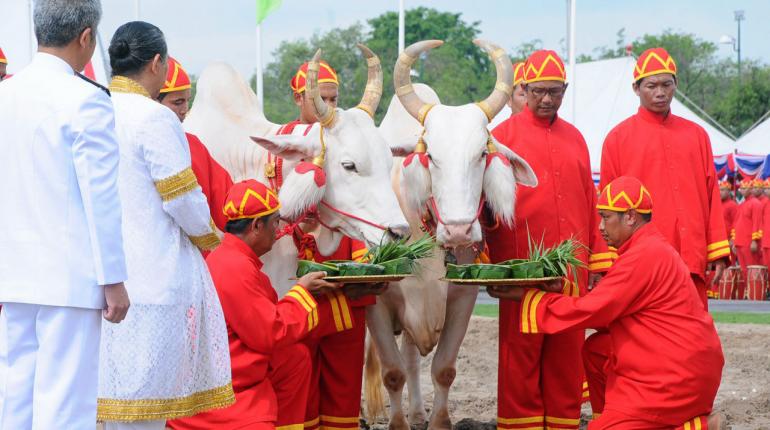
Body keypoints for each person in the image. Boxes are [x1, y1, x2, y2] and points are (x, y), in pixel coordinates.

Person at [492, 176, 725, 430]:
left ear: (630, 217)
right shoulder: (649, 247)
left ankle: (698, 426)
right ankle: (619, 416)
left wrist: (526, 297)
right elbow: (605, 308)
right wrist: (561, 292)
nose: (601, 227)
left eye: (606, 217)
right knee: (597, 349)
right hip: (683, 362)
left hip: (676, 376)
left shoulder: (643, 256)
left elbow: (593, 311)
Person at [0, 0, 130, 427]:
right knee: (66, 408)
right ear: (86, 37)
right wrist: (113, 280)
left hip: (15, 275)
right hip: (69, 279)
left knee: (14, 401)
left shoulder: (6, 95)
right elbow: (102, 198)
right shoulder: (85, 100)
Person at [97, 21, 233, 429]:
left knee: (102, 403)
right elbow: (182, 199)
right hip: (149, 280)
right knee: (143, 411)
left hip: (97, 276)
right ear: (157, 63)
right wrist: (209, 234)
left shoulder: (92, 108)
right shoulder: (154, 118)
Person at [487, 49, 611, 430]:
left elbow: (591, 204)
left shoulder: (576, 138)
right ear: (523, 89)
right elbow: (484, 206)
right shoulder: (500, 138)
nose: (546, 100)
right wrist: (490, 266)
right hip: (522, 274)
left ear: (564, 90)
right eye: (539, 91)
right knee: (520, 359)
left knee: (566, 359)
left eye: (555, 92)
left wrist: (599, 262)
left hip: (571, 274)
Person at [168, 179, 353, 430]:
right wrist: (303, 292)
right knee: (291, 355)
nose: (278, 232)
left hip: (224, 371)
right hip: (228, 390)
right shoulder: (235, 267)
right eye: (275, 223)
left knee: (294, 358)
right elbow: (270, 331)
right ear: (256, 226)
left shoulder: (230, 257)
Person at [278, 60, 383, 430]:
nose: (329, 106)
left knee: (344, 379)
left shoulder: (348, 135)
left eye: (334, 98)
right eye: (320, 99)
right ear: (298, 98)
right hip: (299, 280)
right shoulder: (284, 140)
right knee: (300, 374)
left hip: (345, 278)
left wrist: (365, 259)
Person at [599, 47, 729, 308]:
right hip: (641, 260)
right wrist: (608, 259)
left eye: (666, 85)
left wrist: (717, 249)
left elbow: (711, 193)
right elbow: (606, 206)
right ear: (636, 88)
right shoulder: (617, 139)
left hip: (691, 253)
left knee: (693, 331)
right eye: (651, 86)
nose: (660, 92)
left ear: (676, 85)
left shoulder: (697, 135)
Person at [158, 56, 233, 231]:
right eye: (177, 102)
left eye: (187, 101)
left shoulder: (193, 145)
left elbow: (227, 199)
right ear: (154, 101)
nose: (185, 110)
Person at [733, 179, 763, 298]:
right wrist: (734, 241)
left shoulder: (755, 203)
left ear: (750, 189)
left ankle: (754, 292)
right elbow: (736, 223)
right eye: (741, 188)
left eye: (745, 188)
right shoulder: (741, 204)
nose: (742, 190)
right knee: (744, 269)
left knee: (751, 268)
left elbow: (757, 223)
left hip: (749, 242)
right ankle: (748, 291)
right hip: (740, 241)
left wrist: (755, 240)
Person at [762, 179, 770, 270]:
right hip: (766, 242)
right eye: (765, 188)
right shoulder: (764, 203)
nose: (766, 191)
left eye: (768, 188)